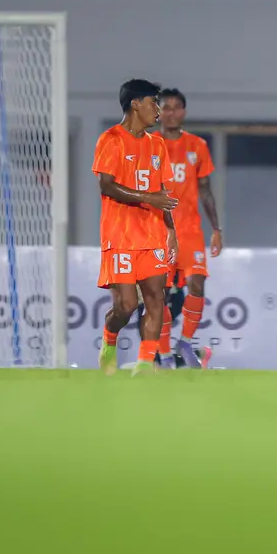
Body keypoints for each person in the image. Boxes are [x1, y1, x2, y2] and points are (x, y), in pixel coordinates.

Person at [92, 79, 178, 376]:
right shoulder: (111, 139)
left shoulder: (158, 145)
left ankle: (144, 364)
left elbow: (163, 193)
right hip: (119, 235)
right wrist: (147, 197)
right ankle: (109, 340)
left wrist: (171, 233)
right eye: (154, 102)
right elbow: (106, 185)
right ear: (135, 104)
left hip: (153, 234)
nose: (159, 110)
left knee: (156, 300)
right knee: (125, 307)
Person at [156, 87, 220, 369]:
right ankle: (165, 355)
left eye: (176, 107)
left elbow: (205, 190)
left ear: (184, 111)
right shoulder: (147, 144)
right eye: (166, 107)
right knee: (157, 294)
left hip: (190, 231)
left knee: (197, 283)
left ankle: (184, 341)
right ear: (158, 112)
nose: (171, 112)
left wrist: (217, 228)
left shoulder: (197, 146)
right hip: (157, 232)